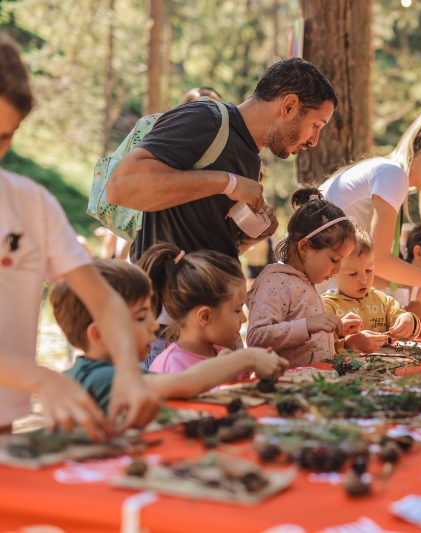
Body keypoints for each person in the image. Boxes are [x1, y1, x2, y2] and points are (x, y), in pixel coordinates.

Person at [0, 32, 158, 440]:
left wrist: (126, 369)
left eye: (4, 137)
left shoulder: (29, 203)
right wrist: (45, 381)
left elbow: (103, 299)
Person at [109, 57, 337, 261]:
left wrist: (250, 236)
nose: (314, 141)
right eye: (316, 125)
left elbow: (206, 246)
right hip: (168, 303)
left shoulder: (251, 159)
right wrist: (228, 183)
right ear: (289, 106)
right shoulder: (206, 119)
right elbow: (121, 187)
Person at [53, 260, 287, 411]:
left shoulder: (113, 373)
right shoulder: (101, 378)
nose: (155, 327)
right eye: (141, 316)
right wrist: (247, 358)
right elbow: (186, 383)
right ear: (99, 334)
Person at [320, 108, 421, 309]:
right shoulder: (394, 174)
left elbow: (369, 269)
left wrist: (416, 291)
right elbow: (379, 261)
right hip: (320, 288)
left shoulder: (389, 172)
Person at [246, 188, 362, 367]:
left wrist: (334, 332)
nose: (338, 270)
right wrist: (308, 325)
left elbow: (301, 341)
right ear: (305, 247)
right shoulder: (276, 282)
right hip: (286, 388)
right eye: (334, 259)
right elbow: (257, 337)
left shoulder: (304, 280)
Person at [136, 243, 249, 373]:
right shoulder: (172, 367)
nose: (244, 319)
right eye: (237, 310)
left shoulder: (224, 356)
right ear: (205, 316)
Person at [323, 227, 421, 353]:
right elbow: (321, 348)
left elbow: (407, 329)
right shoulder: (327, 307)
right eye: (353, 274)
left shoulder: (383, 300)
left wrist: (409, 320)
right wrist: (348, 344)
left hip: (387, 368)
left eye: (369, 270)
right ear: (333, 272)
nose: (364, 280)